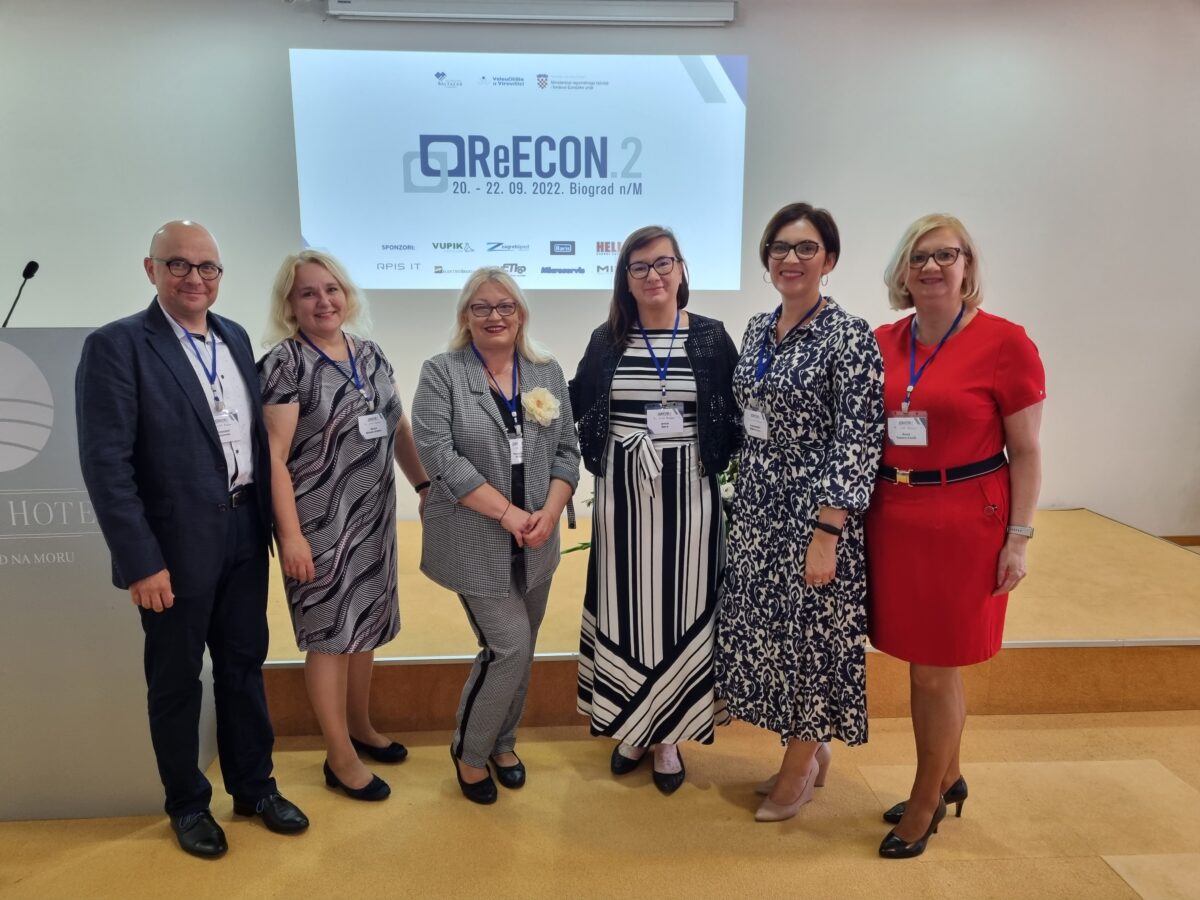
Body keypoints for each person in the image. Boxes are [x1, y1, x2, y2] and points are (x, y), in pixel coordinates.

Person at [75, 221, 308, 858]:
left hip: (244, 529)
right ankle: (186, 804)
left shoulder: (234, 336)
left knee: (243, 666)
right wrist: (140, 562)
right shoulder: (117, 345)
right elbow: (106, 466)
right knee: (177, 680)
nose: (195, 278)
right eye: (178, 264)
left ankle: (254, 789)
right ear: (151, 269)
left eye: (207, 267)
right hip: (173, 549)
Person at [867, 213, 1045, 859]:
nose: (932, 267)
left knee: (932, 672)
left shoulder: (1005, 343)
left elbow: (1027, 451)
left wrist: (1018, 537)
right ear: (902, 271)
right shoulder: (883, 341)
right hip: (895, 515)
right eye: (919, 257)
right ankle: (950, 774)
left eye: (946, 255)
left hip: (966, 522)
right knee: (929, 662)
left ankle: (925, 801)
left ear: (968, 265)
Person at [715, 203, 884, 822]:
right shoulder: (758, 328)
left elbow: (858, 440)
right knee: (774, 638)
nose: (791, 259)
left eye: (806, 248)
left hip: (815, 514)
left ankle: (799, 766)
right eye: (780, 248)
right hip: (759, 507)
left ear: (829, 260)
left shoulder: (849, 336)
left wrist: (827, 532)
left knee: (812, 640)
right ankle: (813, 752)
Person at [570, 225, 742, 794]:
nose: (653, 275)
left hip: (691, 494)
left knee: (684, 606)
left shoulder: (711, 337)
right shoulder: (606, 340)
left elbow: (737, 412)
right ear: (625, 279)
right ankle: (631, 726)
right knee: (628, 606)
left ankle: (669, 735)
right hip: (623, 496)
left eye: (663, 263)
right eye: (639, 266)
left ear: (681, 268)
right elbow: (577, 401)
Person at [259, 250, 429, 802]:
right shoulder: (285, 363)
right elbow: (273, 457)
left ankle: (360, 727)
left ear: (347, 294)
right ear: (290, 304)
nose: (323, 301)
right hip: (318, 523)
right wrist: (291, 536)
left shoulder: (369, 353)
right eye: (308, 293)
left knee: (364, 629)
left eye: (331, 289)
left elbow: (397, 427)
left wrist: (424, 485)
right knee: (330, 637)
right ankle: (339, 756)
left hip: (372, 519)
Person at [411, 267, 580, 805]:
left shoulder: (545, 371)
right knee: (508, 645)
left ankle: (503, 743)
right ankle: (470, 752)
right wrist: (508, 514)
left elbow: (567, 451)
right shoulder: (442, 373)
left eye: (505, 306)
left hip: (537, 540)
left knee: (523, 647)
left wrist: (550, 511)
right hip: (473, 539)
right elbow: (440, 458)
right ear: (465, 316)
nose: (494, 316)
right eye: (481, 307)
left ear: (521, 314)